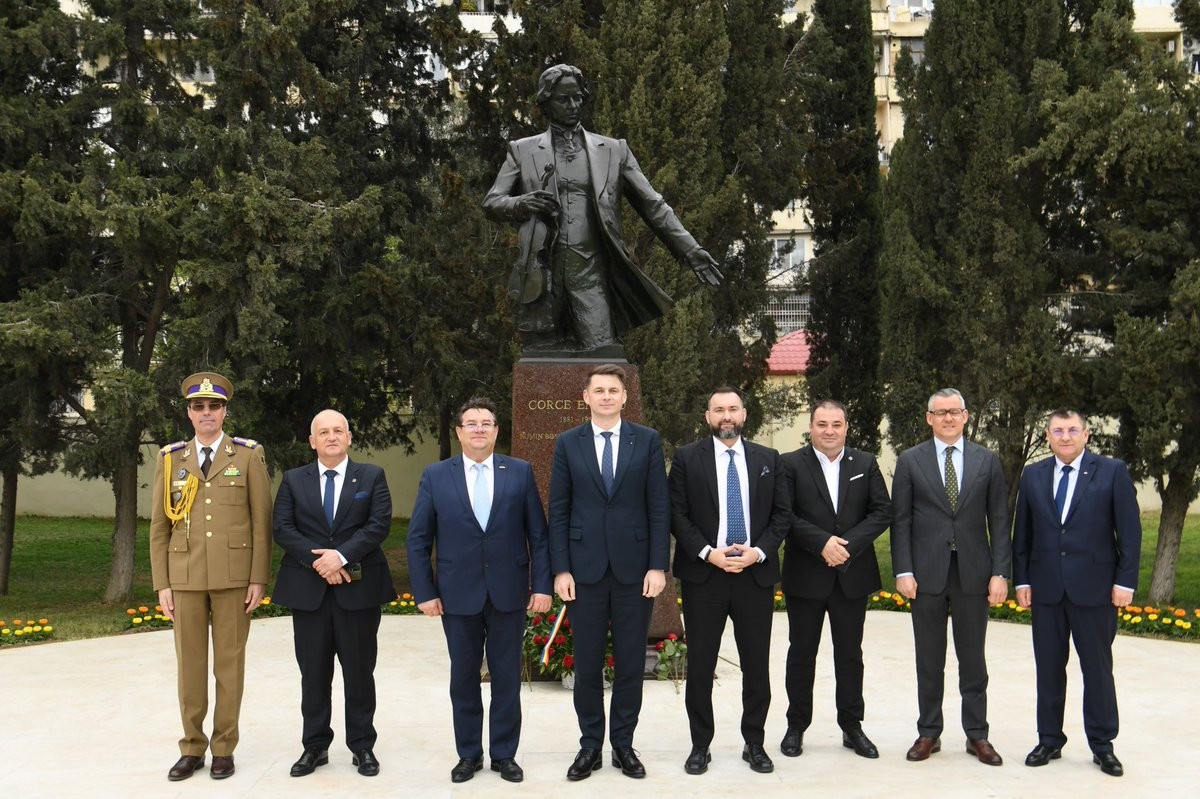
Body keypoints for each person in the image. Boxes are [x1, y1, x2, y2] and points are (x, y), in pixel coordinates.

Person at [482, 64, 722, 357]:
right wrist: (521, 203)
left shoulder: (614, 150)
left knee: (604, 356)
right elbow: (492, 202)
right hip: (541, 271)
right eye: (564, 99)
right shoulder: (522, 150)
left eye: (578, 98)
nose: (573, 105)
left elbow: (653, 204)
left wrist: (690, 250)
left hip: (591, 270)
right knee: (541, 359)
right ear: (546, 103)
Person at [407, 397, 552, 784]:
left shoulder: (519, 472)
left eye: (486, 423)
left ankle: (504, 755)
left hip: (509, 593)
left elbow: (538, 536)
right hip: (457, 595)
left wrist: (541, 586)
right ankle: (468, 754)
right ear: (459, 432)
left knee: (507, 678)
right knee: (464, 679)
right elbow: (418, 539)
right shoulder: (436, 476)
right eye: (471, 423)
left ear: (496, 431)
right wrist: (424, 592)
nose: (479, 429)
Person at [548, 363, 670, 780]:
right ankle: (589, 746)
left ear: (624, 397)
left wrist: (657, 564)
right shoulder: (568, 443)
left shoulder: (647, 440)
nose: (605, 396)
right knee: (586, 663)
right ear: (586, 397)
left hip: (635, 572)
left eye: (613, 390)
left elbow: (658, 507)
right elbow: (558, 510)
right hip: (584, 573)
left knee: (631, 662)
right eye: (598, 390)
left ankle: (623, 744)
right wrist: (560, 569)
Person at [149, 372, 272, 781]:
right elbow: (159, 527)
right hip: (184, 576)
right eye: (198, 406)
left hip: (234, 577)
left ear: (224, 411)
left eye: (214, 406)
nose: (206, 413)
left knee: (229, 667)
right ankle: (191, 748)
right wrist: (162, 583)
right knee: (190, 668)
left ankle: (223, 748)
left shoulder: (248, 455)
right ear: (188, 412)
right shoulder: (171, 459)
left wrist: (258, 577)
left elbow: (261, 522)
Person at [1012, 409, 1141, 777]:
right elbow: (1023, 534)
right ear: (1048, 436)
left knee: (1097, 670)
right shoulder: (1033, 475)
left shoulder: (1111, 471)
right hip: (1047, 590)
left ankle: (1103, 745)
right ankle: (1049, 739)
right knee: (1049, 669)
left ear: (1086, 434)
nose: (1065, 436)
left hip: (1095, 590)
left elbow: (1129, 532)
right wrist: (1022, 581)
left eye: (1072, 430)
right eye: (1057, 430)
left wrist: (1125, 582)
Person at [668, 387, 790, 775]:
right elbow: (677, 514)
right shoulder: (687, 458)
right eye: (718, 409)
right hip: (705, 576)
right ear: (707, 417)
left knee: (756, 666)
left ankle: (754, 742)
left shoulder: (768, 459)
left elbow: (782, 515)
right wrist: (708, 553)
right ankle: (700, 745)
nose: (726, 416)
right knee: (700, 665)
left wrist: (759, 552)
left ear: (744, 414)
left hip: (755, 576)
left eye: (733, 409)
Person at [271, 409, 396, 778]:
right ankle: (315, 746)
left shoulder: (371, 476)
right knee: (313, 674)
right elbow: (282, 528)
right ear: (312, 441)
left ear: (349, 437)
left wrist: (340, 556)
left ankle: (362, 746)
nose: (331, 437)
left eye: (338, 430)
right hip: (308, 593)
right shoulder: (294, 480)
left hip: (358, 592)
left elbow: (379, 524)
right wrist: (320, 562)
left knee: (359, 672)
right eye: (323, 432)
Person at [890, 388, 1010, 766]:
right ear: (929, 418)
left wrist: (1000, 572)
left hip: (974, 573)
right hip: (925, 575)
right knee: (929, 658)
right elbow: (901, 522)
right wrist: (904, 570)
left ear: (965, 416)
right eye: (940, 412)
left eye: (954, 412)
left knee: (973, 659)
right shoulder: (910, 461)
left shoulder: (987, 460)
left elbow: (999, 521)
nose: (947, 418)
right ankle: (929, 731)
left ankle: (977, 735)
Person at [779, 400, 891, 760]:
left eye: (836, 424)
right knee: (801, 654)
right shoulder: (790, 464)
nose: (829, 431)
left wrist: (846, 547)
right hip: (805, 575)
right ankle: (796, 725)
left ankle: (852, 726)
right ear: (811, 426)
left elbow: (882, 511)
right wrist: (822, 544)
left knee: (850, 655)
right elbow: (784, 515)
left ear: (846, 427)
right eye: (822, 424)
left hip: (851, 575)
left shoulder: (865, 463)